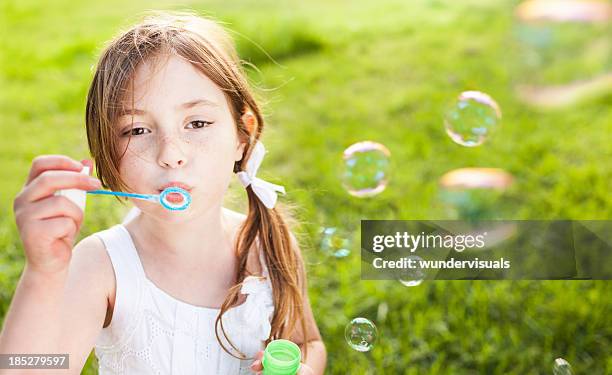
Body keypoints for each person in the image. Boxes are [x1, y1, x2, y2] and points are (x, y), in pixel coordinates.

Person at [0, 10, 326, 374]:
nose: (171, 154)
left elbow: (305, 343)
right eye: (137, 130)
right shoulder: (102, 266)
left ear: (242, 136)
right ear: (108, 153)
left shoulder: (267, 243)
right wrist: (43, 273)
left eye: (197, 123)